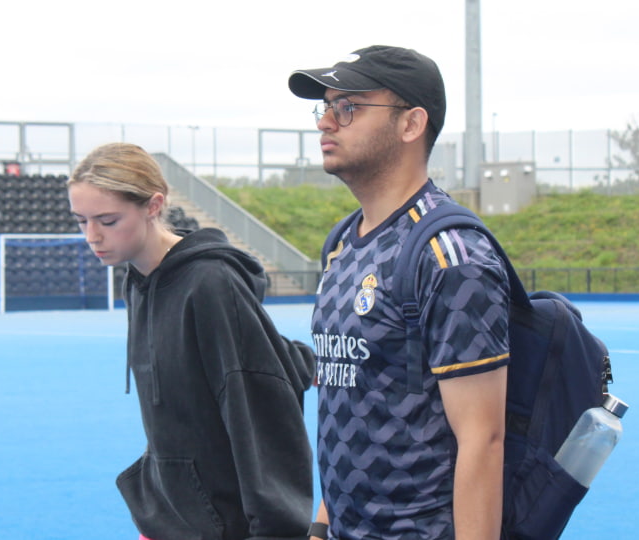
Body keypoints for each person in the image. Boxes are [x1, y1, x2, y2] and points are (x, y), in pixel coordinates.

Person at [288, 46, 510, 540]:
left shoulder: (451, 257)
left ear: (411, 124)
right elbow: (353, 403)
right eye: (324, 106)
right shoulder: (342, 244)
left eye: (348, 106)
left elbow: (483, 440)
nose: (326, 121)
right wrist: (323, 524)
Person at [66, 142, 316, 540]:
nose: (92, 236)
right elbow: (249, 354)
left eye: (108, 220)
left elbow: (261, 409)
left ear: (153, 205)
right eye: (81, 221)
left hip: (223, 524)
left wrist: (276, 530)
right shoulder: (139, 279)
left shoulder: (210, 283)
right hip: (168, 517)